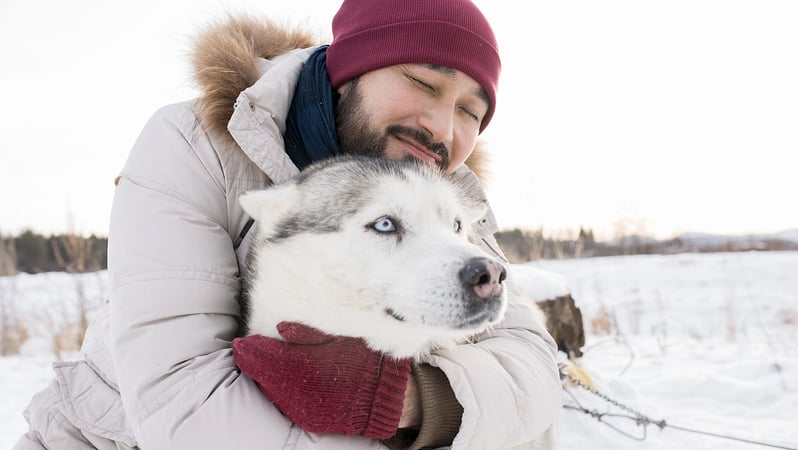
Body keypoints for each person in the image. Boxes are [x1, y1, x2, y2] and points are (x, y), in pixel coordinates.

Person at [15, 0, 562, 449]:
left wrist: (407, 400)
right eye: (423, 82)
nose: (443, 128)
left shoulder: (449, 190)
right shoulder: (195, 144)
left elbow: (531, 374)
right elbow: (184, 408)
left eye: (472, 111)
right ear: (349, 72)